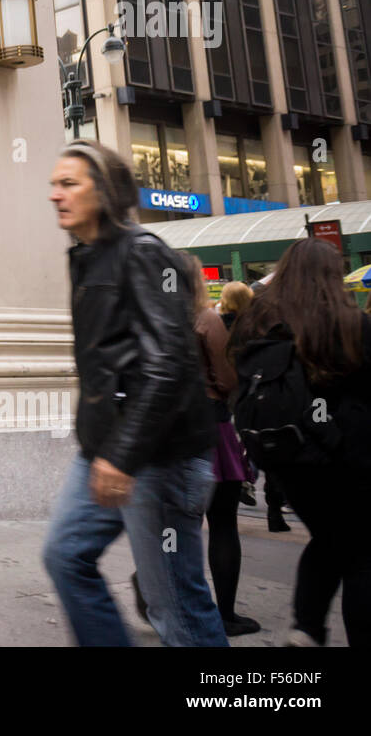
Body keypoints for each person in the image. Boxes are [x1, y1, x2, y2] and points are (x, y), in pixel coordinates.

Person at [42, 139, 227, 647]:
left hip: (156, 456)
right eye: (54, 185)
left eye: (69, 184)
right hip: (106, 450)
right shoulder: (86, 256)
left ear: (104, 191)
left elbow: (168, 363)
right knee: (65, 556)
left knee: (177, 607)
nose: (56, 196)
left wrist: (122, 458)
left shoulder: (144, 254)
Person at [226, 237, 371, 647]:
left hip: (287, 458)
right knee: (361, 553)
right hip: (348, 456)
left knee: (328, 539)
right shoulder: (350, 323)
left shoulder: (257, 325)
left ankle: (306, 627)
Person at [184, 258, 260, 636]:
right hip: (212, 427)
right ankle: (225, 615)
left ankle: (158, 593)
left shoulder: (155, 320)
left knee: (181, 526)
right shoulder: (205, 318)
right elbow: (228, 376)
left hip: (171, 434)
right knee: (223, 522)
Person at [221, 281, 289, 532]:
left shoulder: (221, 325)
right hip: (263, 394)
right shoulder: (258, 326)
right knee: (268, 444)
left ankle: (245, 480)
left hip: (233, 398)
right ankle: (273, 507)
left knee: (245, 441)